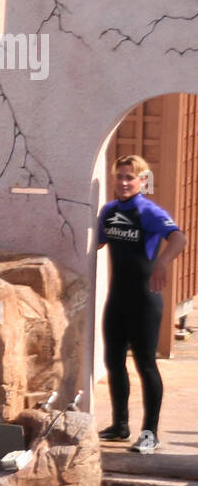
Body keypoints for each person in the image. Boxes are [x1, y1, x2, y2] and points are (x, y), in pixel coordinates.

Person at [97, 154, 187, 453]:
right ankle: (120, 425)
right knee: (113, 361)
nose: (123, 182)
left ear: (141, 181)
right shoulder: (108, 211)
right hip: (117, 299)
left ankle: (150, 432)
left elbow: (178, 238)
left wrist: (163, 261)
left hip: (145, 300)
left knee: (145, 364)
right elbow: (94, 242)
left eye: (130, 177)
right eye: (120, 176)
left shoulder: (147, 211)